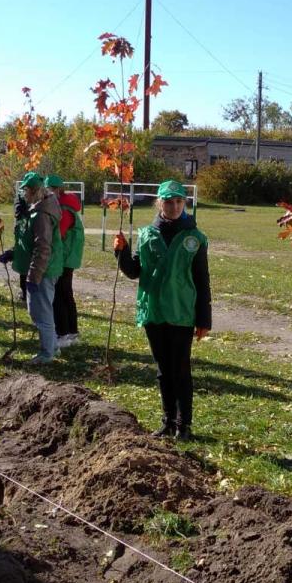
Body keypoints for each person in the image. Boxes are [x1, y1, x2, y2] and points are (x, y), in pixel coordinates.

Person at [114, 180, 212, 439]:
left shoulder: (195, 238)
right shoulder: (147, 234)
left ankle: (184, 425)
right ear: (159, 203)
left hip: (181, 312)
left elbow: (202, 280)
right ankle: (168, 421)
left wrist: (204, 317)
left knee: (181, 369)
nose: (175, 206)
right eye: (169, 202)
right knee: (163, 369)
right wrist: (121, 253)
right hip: (154, 311)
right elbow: (134, 271)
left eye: (180, 201)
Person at [0, 171, 64, 364]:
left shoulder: (42, 214)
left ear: (34, 191)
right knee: (40, 310)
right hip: (41, 269)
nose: (23, 194)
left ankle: (47, 353)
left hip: (43, 270)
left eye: (25, 190)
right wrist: (14, 253)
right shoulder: (35, 210)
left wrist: (34, 277)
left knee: (40, 312)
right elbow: (29, 240)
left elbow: (43, 247)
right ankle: (53, 347)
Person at [46, 174, 84, 348]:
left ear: (59, 190)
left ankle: (63, 333)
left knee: (60, 295)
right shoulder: (67, 206)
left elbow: (57, 234)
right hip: (68, 257)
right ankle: (72, 332)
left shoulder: (64, 210)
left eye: (51, 189)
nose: (49, 192)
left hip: (64, 257)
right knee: (66, 294)